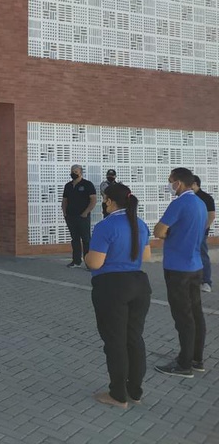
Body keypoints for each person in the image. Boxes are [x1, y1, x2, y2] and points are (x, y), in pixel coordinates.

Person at [85, 183, 152, 409]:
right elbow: (146, 256)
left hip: (112, 287)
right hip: (139, 284)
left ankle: (117, 394)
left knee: (115, 342)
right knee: (134, 339)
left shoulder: (106, 226)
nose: (104, 203)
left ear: (110, 201)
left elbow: (95, 262)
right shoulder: (140, 224)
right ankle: (135, 391)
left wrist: (86, 257)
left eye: (105, 199)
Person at [153, 167, 207, 378]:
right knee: (196, 313)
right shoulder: (200, 203)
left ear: (179, 183)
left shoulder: (179, 203)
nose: (169, 185)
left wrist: (169, 234)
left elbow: (159, 231)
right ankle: (196, 359)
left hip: (178, 268)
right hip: (195, 265)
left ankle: (184, 364)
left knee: (183, 316)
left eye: (170, 181)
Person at [62, 164, 97, 268]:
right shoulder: (68, 186)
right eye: (72, 171)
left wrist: (86, 212)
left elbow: (93, 200)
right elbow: (65, 200)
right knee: (75, 239)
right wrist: (64, 212)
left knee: (86, 240)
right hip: (70, 216)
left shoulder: (87, 184)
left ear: (81, 172)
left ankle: (89, 263)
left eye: (76, 172)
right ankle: (76, 261)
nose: (73, 173)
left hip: (83, 217)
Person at [192, 175, 215, 293]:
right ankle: (194, 280)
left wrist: (202, 229)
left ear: (195, 184)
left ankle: (206, 282)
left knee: (202, 255)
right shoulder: (188, 198)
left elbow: (211, 216)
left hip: (201, 233)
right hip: (189, 232)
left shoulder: (206, 198)